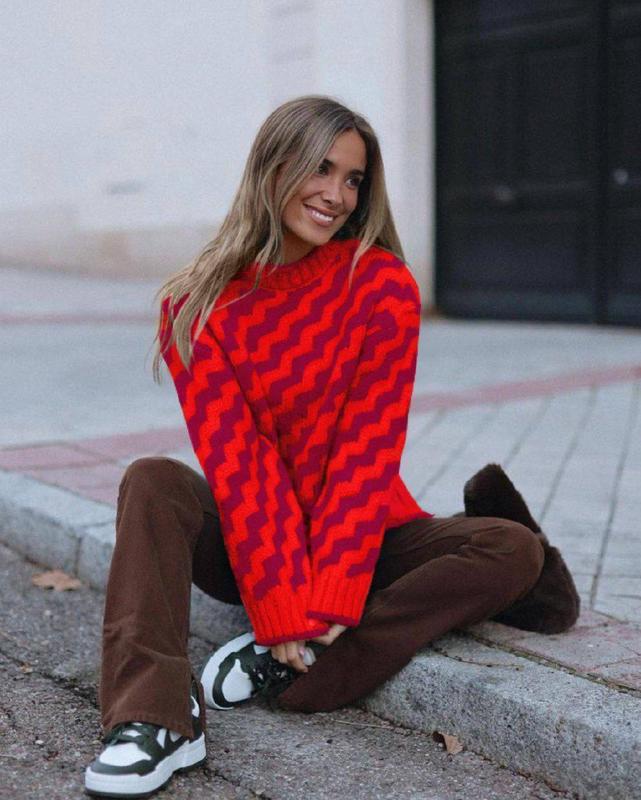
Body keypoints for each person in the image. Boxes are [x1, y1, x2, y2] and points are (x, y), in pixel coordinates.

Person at [85, 95, 546, 798]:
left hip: (365, 537)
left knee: (512, 549)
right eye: (320, 168)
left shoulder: (379, 285)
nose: (336, 194)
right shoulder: (198, 306)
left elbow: (367, 454)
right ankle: (154, 716)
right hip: (255, 548)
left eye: (353, 179)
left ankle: (309, 669)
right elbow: (240, 468)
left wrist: (331, 600)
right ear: (273, 166)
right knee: (151, 479)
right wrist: (279, 607)